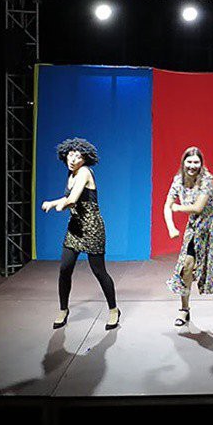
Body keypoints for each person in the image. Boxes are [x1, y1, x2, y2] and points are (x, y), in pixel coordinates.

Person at [41, 138, 120, 330]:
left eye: (78, 156)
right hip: (75, 227)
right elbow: (68, 196)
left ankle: (113, 310)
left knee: (99, 271)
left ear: (85, 159)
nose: (73, 159)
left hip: (92, 227)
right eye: (71, 155)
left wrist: (62, 205)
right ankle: (63, 309)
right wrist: (53, 203)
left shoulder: (84, 172)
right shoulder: (72, 173)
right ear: (65, 155)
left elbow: (73, 199)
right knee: (65, 269)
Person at [164, 147, 213, 327]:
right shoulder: (178, 180)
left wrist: (178, 208)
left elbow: (197, 207)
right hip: (196, 225)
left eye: (196, 162)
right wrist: (171, 227)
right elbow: (167, 205)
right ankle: (184, 309)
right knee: (186, 266)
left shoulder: (206, 180)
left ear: (201, 164)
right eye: (189, 161)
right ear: (183, 162)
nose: (192, 166)